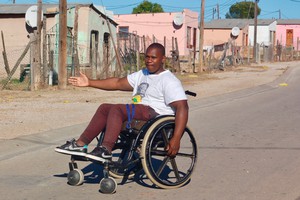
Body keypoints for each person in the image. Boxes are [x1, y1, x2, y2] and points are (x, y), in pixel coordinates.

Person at [55, 43, 189, 162]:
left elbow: (183, 108)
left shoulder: (169, 80)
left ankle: (105, 149)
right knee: (105, 108)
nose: (149, 61)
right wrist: (90, 82)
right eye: (147, 57)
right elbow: (117, 83)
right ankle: (80, 145)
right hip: (140, 114)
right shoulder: (142, 74)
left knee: (118, 109)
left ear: (163, 59)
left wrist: (176, 138)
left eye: (153, 58)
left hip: (156, 117)